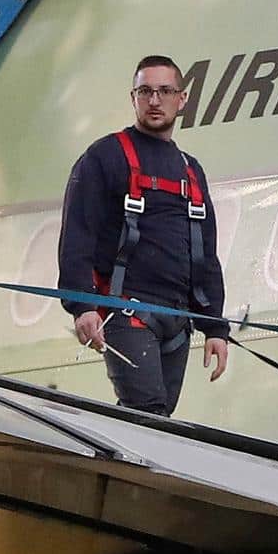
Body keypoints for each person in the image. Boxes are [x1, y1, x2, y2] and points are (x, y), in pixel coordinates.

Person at [59, 55, 230, 415]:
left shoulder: (191, 171)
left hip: (177, 321)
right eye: (146, 91)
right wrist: (82, 306)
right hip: (127, 312)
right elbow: (77, 235)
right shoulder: (105, 157)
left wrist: (214, 326)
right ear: (133, 98)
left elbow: (205, 253)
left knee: (160, 421)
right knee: (147, 413)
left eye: (165, 91)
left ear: (181, 99)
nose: (155, 100)